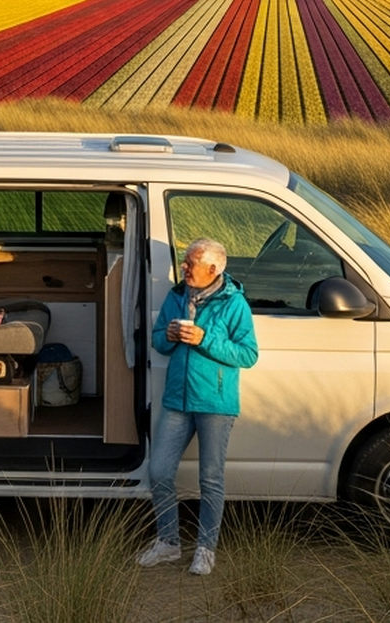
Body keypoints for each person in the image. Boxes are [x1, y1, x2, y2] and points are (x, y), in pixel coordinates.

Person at [136, 238, 259, 577]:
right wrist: (170, 336)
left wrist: (204, 338)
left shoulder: (235, 303)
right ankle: (169, 543)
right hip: (177, 400)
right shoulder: (176, 296)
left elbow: (248, 355)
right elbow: (158, 341)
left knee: (211, 478)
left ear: (213, 269)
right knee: (159, 471)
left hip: (216, 404)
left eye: (191, 263)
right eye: (184, 262)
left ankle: (206, 549)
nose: (184, 268)